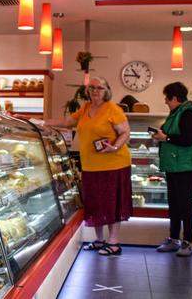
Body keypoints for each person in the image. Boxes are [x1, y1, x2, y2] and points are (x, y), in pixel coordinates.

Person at [46, 77, 132, 256]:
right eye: (92, 87)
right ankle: (100, 240)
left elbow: (125, 133)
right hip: (91, 166)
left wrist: (114, 147)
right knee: (96, 204)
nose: (95, 91)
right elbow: (68, 122)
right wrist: (41, 122)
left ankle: (114, 242)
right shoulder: (85, 108)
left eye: (99, 87)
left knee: (111, 204)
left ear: (106, 90)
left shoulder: (113, 109)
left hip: (113, 164)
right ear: (88, 90)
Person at [151, 82, 192, 257]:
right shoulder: (178, 111)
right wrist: (162, 137)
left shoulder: (189, 112)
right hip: (175, 164)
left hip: (186, 165)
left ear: (174, 98)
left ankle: (187, 242)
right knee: (174, 203)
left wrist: (165, 138)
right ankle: (174, 239)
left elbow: (188, 139)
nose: (166, 102)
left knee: (185, 204)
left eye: (167, 98)